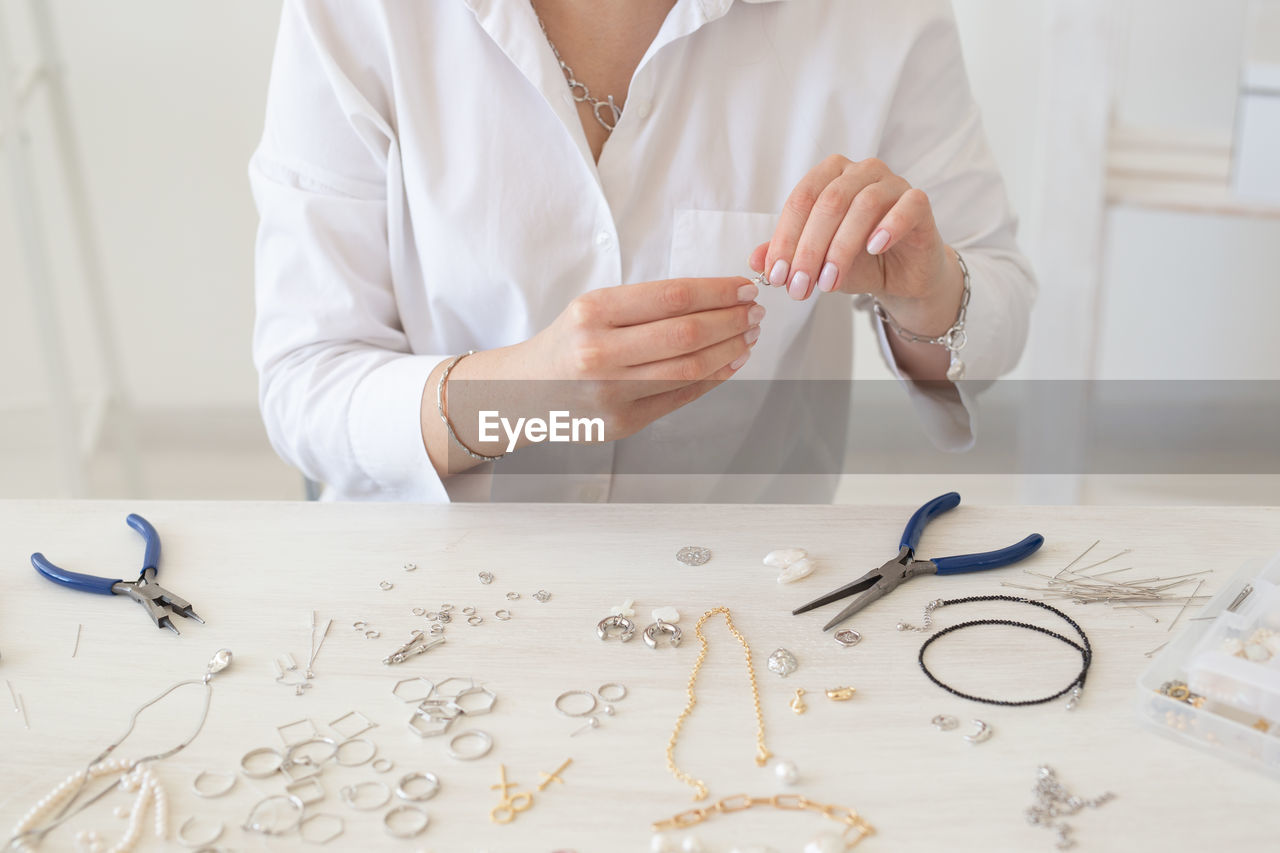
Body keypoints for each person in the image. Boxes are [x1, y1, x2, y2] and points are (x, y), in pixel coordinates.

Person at [251, 0, 1035, 502]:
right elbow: (305, 384)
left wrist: (926, 291)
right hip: (430, 585)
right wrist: (520, 396)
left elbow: (995, 313)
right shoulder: (356, 15)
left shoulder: (879, 20)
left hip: (742, 593)